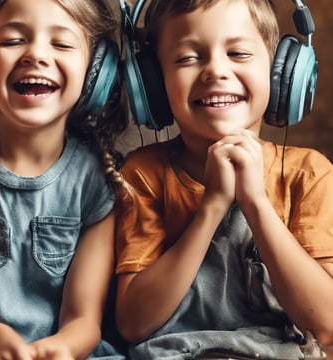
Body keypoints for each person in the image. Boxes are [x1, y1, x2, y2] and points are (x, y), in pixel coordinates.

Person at [115, 0, 333, 359]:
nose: (215, 70)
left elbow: (324, 326)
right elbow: (134, 324)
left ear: (281, 74)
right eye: (187, 58)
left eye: (238, 53)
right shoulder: (143, 174)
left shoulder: (308, 174)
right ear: (152, 83)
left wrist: (256, 204)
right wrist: (211, 207)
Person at [0, 0, 131, 358]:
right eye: (12, 41)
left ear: (97, 73)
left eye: (62, 44)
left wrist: (55, 350)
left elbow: (83, 321)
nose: (35, 55)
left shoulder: (99, 180)